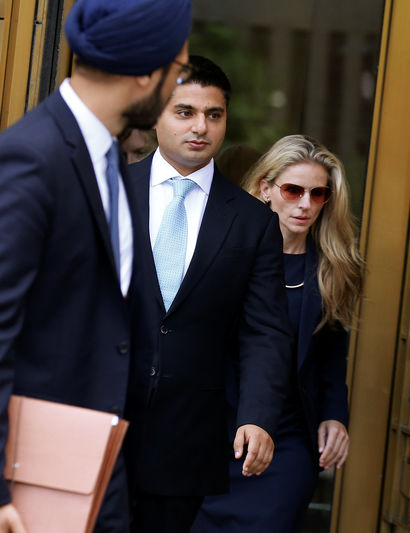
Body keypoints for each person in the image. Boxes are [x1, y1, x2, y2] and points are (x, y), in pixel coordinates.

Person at [0, 1, 192, 532]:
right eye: (178, 71)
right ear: (144, 72)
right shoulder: (29, 158)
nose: (178, 85)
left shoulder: (105, 157)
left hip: (90, 469)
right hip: (16, 483)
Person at [125, 55, 292, 533]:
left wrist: (258, 416)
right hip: (97, 420)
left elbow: (266, 332)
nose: (201, 126)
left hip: (187, 436)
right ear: (155, 113)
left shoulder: (252, 222)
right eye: (185, 112)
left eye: (213, 115)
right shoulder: (107, 193)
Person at [193, 134, 363, 532]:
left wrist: (335, 417)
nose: (305, 204)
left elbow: (331, 358)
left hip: (285, 446)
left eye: (318, 194)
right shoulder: (222, 252)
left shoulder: (332, 270)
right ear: (265, 189)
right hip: (209, 435)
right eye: (293, 190)